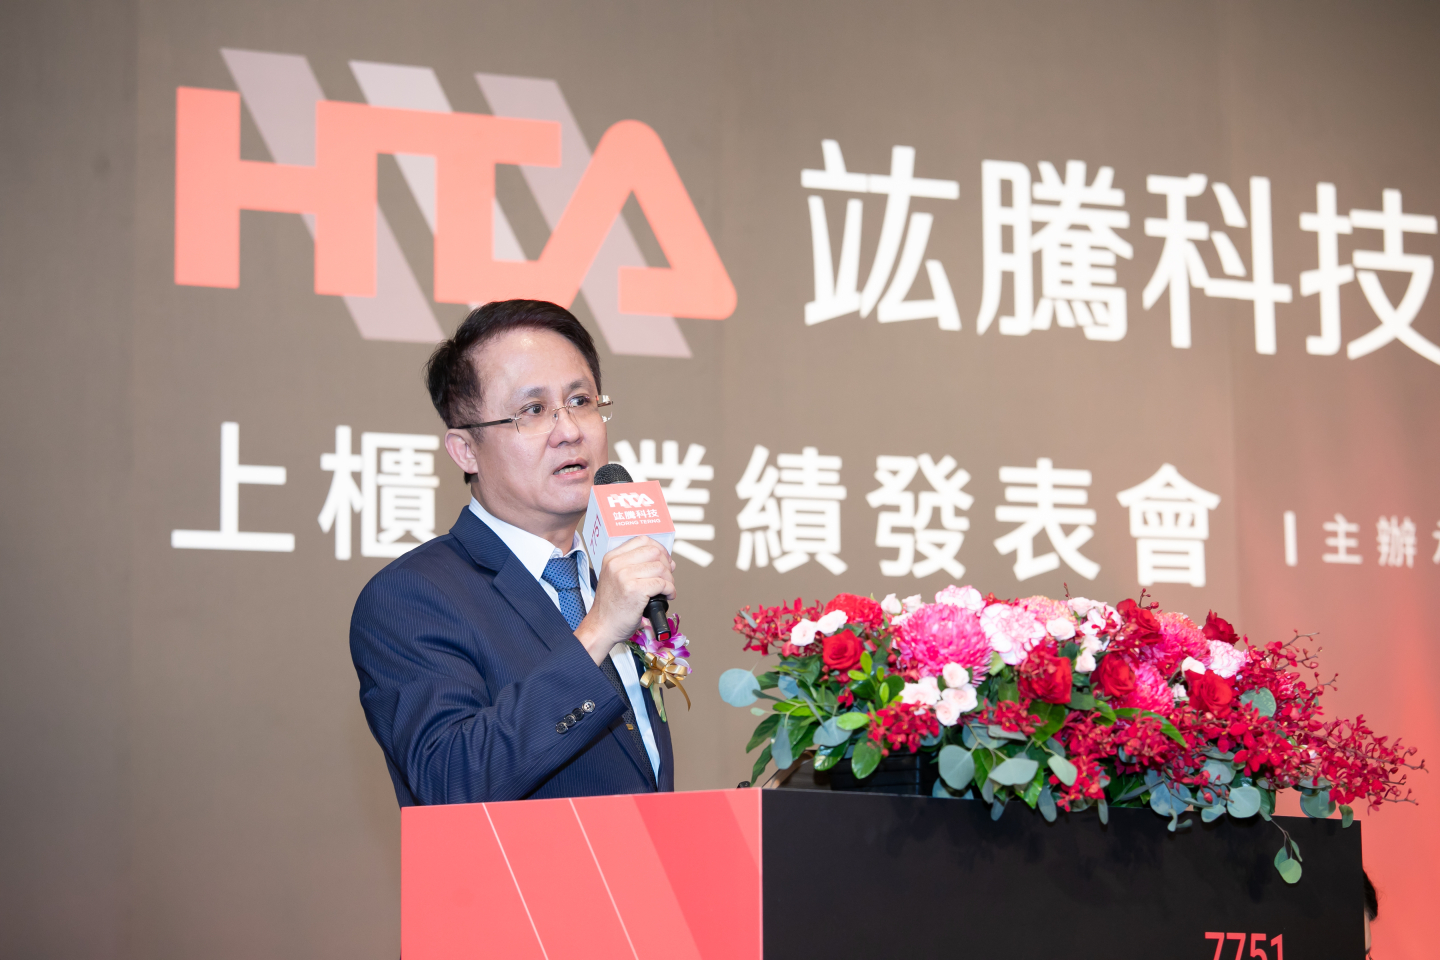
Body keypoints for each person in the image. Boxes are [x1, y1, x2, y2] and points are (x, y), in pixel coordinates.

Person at [350, 299, 677, 805]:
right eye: (533, 410)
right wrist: (596, 633)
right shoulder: (411, 597)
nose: (570, 430)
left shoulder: (607, 575)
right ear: (465, 450)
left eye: (581, 401)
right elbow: (449, 779)